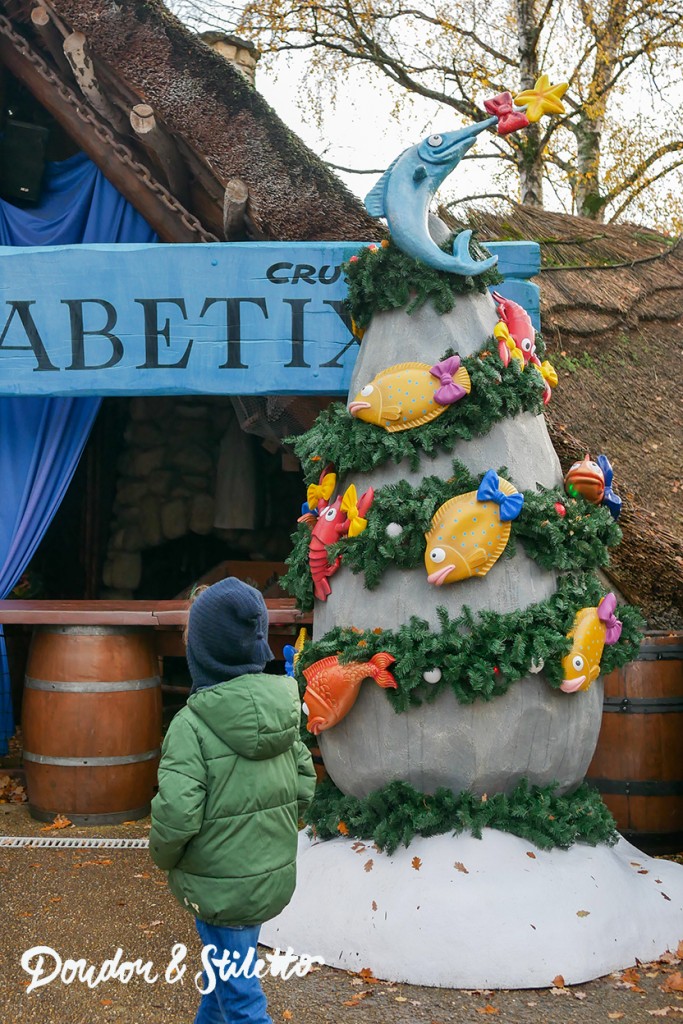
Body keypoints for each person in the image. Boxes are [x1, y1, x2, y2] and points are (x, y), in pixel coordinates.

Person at [149, 577, 316, 1024]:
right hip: (266, 878)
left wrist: (163, 855)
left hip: (218, 883)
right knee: (223, 973)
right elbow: (304, 783)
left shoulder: (191, 725)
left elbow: (177, 813)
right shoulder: (283, 709)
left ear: (199, 653)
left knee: (241, 999)